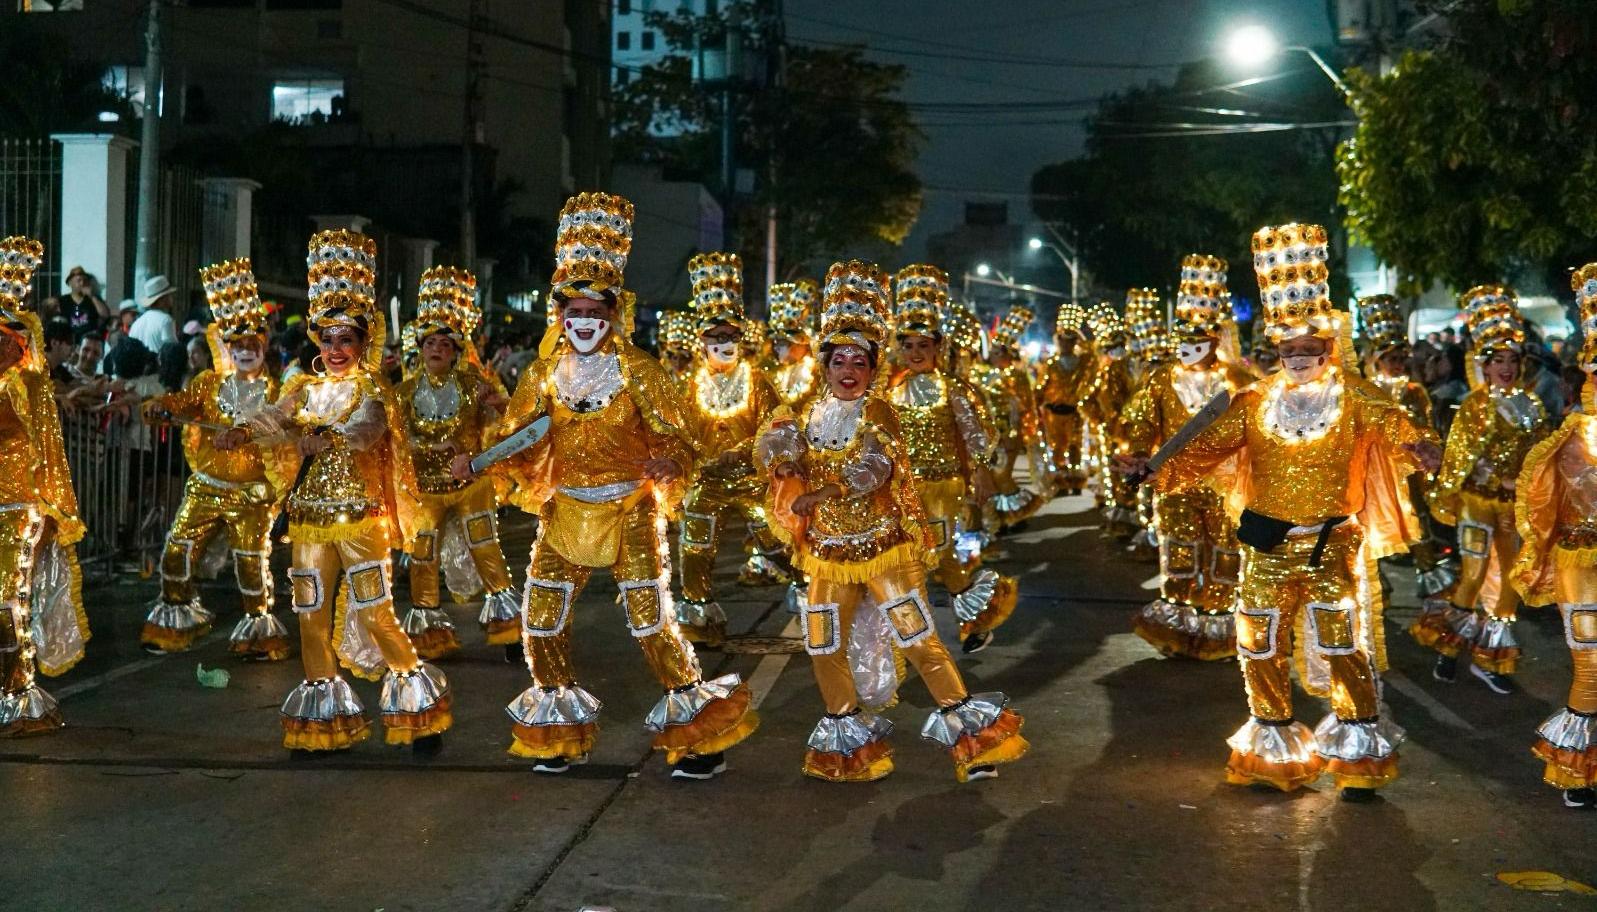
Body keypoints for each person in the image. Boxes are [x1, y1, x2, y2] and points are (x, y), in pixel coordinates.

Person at [1125, 223, 1441, 801]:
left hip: (1330, 547)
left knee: (1342, 645)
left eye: (1308, 349)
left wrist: (1419, 446)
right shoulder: (1253, 402)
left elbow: (1397, 425)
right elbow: (1204, 449)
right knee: (1257, 641)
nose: (1297, 358)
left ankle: (1357, 748)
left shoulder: (1355, 397)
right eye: (1287, 349)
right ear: (1275, 348)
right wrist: (1153, 468)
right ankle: (1273, 745)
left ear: (1327, 346)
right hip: (1265, 545)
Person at [459, 192, 758, 779]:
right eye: (574, 312)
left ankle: (699, 740)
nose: (585, 323)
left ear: (614, 314)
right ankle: (560, 734)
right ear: (560, 316)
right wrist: (477, 462)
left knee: (651, 623)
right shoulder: (545, 373)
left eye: (596, 312)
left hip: (629, 512)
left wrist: (671, 462)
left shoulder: (639, 370)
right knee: (540, 620)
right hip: (566, 513)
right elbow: (523, 431)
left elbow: (679, 434)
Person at [757, 258, 1028, 783]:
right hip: (828, 555)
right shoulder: (807, 410)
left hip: (884, 550)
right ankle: (846, 737)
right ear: (825, 365)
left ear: (874, 365)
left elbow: (875, 465)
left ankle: (974, 744)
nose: (849, 370)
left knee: (919, 639)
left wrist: (827, 489)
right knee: (822, 641)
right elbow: (773, 436)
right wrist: (783, 461)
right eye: (839, 360)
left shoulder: (879, 411)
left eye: (860, 360)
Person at [233, 230, 452, 752]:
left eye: (345, 339)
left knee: (376, 615)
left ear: (361, 341)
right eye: (327, 339)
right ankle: (325, 718)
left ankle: (417, 710)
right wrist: (242, 430)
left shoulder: (372, 389)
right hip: (309, 519)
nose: (335, 350)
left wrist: (326, 436)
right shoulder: (304, 388)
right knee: (309, 613)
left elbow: (366, 433)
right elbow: (273, 417)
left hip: (361, 518)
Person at [139, 259, 291, 660]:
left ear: (264, 346)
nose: (244, 350)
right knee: (176, 551)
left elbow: (279, 429)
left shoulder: (276, 393)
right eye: (236, 344)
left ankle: (259, 634)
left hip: (252, 495)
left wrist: (246, 433)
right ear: (224, 345)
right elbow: (181, 401)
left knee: (250, 567)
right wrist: (159, 403)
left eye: (252, 344)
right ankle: (176, 620)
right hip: (206, 488)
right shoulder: (209, 383)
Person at [1412, 286, 1548, 694]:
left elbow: (1540, 455)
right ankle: (1449, 650)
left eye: (1511, 359)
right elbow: (1459, 458)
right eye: (1497, 360)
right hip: (1476, 503)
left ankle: (1490, 660)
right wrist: (1489, 476)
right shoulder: (1474, 405)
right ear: (1483, 364)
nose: (1504, 367)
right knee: (1471, 576)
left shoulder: (1532, 405)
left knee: (1511, 583)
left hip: (1511, 508)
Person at [1123, 255, 1253, 661]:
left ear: (1215, 339)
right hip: (1174, 480)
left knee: (1223, 551)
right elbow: (1143, 421)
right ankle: (1179, 624)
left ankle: (1218, 626)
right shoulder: (1161, 378)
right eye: (1182, 336)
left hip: (1223, 485)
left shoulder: (1237, 381)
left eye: (1197, 337)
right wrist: (1141, 455)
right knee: (1179, 547)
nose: (1187, 346)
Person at [884, 264, 1016, 655]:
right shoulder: (891, 390)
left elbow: (978, 435)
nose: (915, 353)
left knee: (937, 555)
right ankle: (910, 636)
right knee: (905, 560)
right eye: (908, 345)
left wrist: (983, 474)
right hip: (903, 487)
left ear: (939, 347)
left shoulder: (953, 389)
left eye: (924, 345)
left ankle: (976, 619)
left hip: (944, 485)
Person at [392, 266, 521, 660]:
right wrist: (431, 449)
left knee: (485, 546)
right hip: (426, 490)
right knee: (423, 554)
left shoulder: (473, 385)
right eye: (430, 342)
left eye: (445, 345)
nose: (436, 349)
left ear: (456, 351)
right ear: (420, 347)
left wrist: (500, 405)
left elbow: (510, 422)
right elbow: (397, 440)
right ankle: (430, 634)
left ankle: (510, 630)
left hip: (471, 484)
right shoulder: (403, 393)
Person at [1514, 261, 1597, 809]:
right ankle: (1577, 773)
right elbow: (1540, 508)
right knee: (1591, 661)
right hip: (1579, 560)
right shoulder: (1565, 442)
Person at [675, 252, 790, 644]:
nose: (723, 343)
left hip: (753, 481)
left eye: (730, 336)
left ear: (741, 338)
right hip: (706, 482)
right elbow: (677, 429)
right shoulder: (689, 385)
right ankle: (699, 618)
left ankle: (815, 591)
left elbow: (777, 425)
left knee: (777, 544)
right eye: (715, 336)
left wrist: (742, 451)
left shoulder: (757, 381)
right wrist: (692, 458)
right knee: (694, 549)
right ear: (702, 339)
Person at [0, 237, 90, 736]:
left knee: (5, 599)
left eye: (1, 338)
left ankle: (16, 694)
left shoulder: (27, 386)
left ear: (20, 343)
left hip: (20, 506)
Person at [982, 306, 1045, 530]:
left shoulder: (1017, 376)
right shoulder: (988, 376)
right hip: (992, 434)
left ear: (1008, 354)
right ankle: (1005, 517)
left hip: (1009, 432)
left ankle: (1016, 514)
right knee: (995, 477)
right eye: (994, 352)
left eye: (999, 352)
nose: (995, 357)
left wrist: (1022, 432)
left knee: (1002, 475)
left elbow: (1026, 405)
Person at [1036, 302, 1094, 495]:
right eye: (1062, 340)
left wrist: (1077, 331)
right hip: (1054, 412)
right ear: (1057, 341)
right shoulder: (1051, 364)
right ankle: (1060, 482)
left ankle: (1076, 481)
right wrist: (1035, 407)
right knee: (1057, 447)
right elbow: (1040, 388)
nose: (1066, 344)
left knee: (1075, 445)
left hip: (1075, 412)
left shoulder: (1082, 362)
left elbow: (1092, 351)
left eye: (1070, 340)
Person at [767, 279, 823, 408]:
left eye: (785, 342)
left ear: (803, 342)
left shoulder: (819, 373)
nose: (778, 348)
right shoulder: (779, 373)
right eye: (777, 342)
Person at [129, 275, 180, 359]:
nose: (172, 298)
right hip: (159, 368)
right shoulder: (165, 320)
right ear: (162, 299)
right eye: (169, 295)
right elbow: (172, 350)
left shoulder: (136, 324)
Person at [47, 265, 108, 333]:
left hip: (88, 339)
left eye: (84, 281)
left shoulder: (92, 299)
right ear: (70, 283)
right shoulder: (63, 301)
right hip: (68, 339)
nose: (82, 283)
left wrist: (92, 296)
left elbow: (105, 315)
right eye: (79, 281)